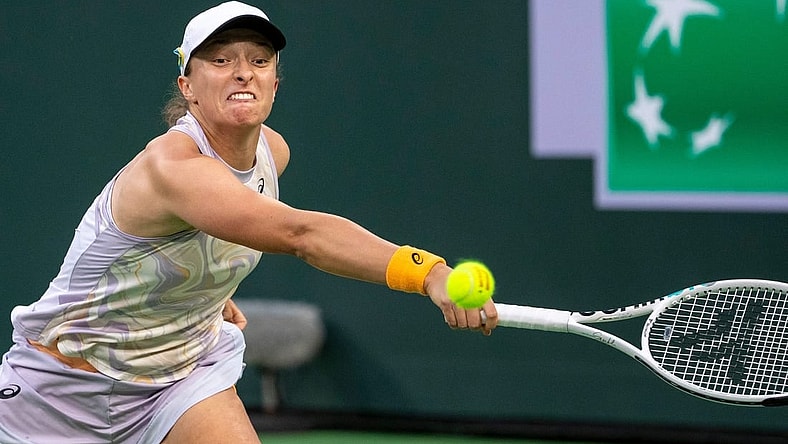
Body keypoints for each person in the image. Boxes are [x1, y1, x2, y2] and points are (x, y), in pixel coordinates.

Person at [0, 2, 498, 443]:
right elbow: (300, 235)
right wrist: (428, 272)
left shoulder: (271, 154)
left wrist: (198, 291)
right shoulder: (172, 167)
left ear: (275, 84)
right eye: (220, 61)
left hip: (178, 381)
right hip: (62, 391)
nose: (243, 73)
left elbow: (195, 240)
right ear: (187, 86)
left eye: (259, 61)